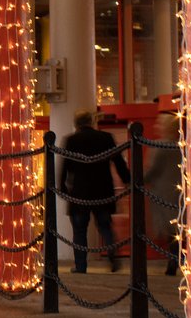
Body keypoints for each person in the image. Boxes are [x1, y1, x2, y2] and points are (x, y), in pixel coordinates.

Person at [59, 111, 131, 273]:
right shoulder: (105, 138)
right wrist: (127, 180)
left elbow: (65, 167)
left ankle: (81, 266)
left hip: (79, 191)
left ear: (76, 124)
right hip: (102, 189)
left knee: (79, 230)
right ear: (92, 122)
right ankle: (112, 256)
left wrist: (62, 187)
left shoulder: (71, 140)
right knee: (105, 226)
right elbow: (118, 161)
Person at [143, 112, 183, 276]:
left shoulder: (159, 146)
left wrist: (137, 180)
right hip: (179, 191)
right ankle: (177, 259)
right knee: (178, 227)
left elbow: (152, 170)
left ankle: (173, 261)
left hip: (162, 192)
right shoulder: (182, 146)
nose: (156, 126)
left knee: (169, 229)